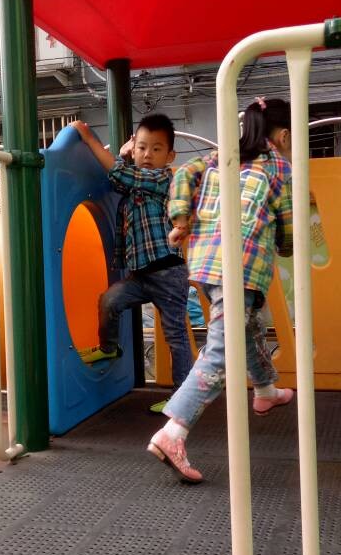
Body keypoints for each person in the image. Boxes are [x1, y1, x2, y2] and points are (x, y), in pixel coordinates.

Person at [147, 98, 295, 483]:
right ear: (283, 136)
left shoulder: (219, 157)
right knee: (220, 350)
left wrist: (181, 219)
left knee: (247, 327)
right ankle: (173, 432)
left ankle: (265, 388)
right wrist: (286, 245)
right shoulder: (280, 167)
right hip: (241, 265)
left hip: (207, 261)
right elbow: (288, 226)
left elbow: (183, 174)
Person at [72, 113, 191, 394]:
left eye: (156, 149)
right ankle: (109, 348)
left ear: (170, 157)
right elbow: (118, 181)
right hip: (141, 276)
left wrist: (90, 139)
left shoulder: (163, 179)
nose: (148, 154)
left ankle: (184, 398)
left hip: (167, 273)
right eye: (142, 147)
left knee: (175, 336)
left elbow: (122, 175)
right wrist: (123, 156)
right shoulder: (135, 183)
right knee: (109, 301)